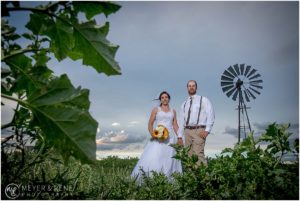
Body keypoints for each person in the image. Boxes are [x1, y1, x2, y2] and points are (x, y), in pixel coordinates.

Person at [131, 91, 182, 182]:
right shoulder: (156, 109)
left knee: (170, 159)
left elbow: (175, 125)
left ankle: (168, 180)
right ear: (160, 99)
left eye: (166, 97)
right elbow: (150, 124)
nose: (164, 99)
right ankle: (153, 179)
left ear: (169, 99)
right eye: (162, 97)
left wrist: (180, 137)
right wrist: (154, 135)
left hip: (170, 139)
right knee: (156, 157)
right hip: (158, 137)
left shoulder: (173, 111)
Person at [177, 80, 215, 166]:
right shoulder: (184, 104)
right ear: (187, 88)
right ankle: (192, 178)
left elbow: (211, 114)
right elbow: (181, 121)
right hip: (187, 131)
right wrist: (179, 137)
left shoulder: (204, 100)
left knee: (198, 155)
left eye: (193, 85)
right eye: (189, 86)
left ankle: (205, 179)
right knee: (189, 156)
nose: (191, 87)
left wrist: (207, 130)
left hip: (199, 130)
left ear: (196, 88)